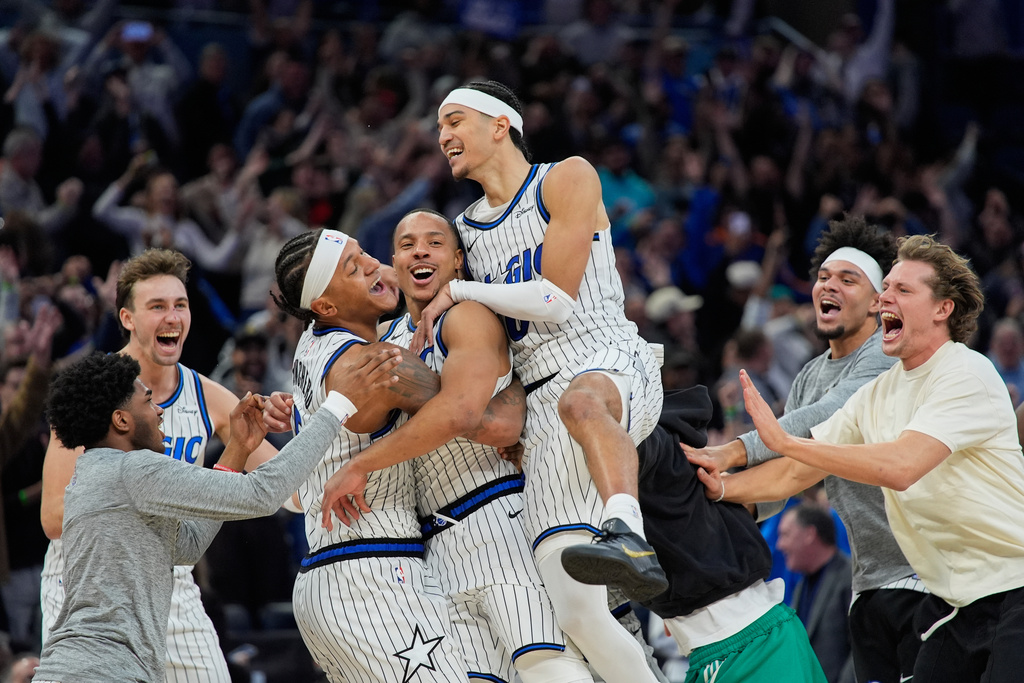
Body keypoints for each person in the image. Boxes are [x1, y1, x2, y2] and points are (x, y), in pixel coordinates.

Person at [425, 79, 666, 683]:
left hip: (605, 358)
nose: (443, 136)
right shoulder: (467, 229)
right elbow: (493, 343)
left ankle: (629, 533)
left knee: (583, 404)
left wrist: (461, 289)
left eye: (454, 121)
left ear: (499, 125)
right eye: (438, 128)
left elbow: (556, 300)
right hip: (538, 399)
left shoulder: (566, 177)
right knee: (577, 612)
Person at [318, 209, 593, 682]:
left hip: (497, 522)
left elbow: (481, 419)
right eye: (406, 244)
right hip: (436, 548)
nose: (419, 251)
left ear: (459, 262)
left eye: (434, 243)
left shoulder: (466, 316)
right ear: (395, 263)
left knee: (551, 668)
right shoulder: (390, 338)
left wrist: (363, 463)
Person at [734, 234, 1024, 683]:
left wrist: (781, 441)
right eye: (886, 287)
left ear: (942, 308)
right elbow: (797, 471)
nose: (886, 296)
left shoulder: (966, 371)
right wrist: (715, 484)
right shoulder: (876, 392)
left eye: (902, 290)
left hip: (1012, 587)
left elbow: (901, 467)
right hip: (956, 603)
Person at [32, 350, 392, 683]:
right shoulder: (134, 468)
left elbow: (185, 547)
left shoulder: (92, 472)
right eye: (148, 401)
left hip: (78, 665)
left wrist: (236, 449)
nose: (160, 411)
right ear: (121, 420)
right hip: (101, 670)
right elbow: (263, 495)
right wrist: (337, 406)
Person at [270, 227, 523, 681]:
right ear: (326, 306)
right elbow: (492, 421)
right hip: (372, 576)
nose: (372, 264)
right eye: (354, 267)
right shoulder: (377, 365)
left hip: (327, 580)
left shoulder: (313, 342)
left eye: (364, 252)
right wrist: (525, 372)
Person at [686, 217, 927, 683]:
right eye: (822, 278)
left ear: (879, 302)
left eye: (847, 279)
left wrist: (729, 453)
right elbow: (788, 479)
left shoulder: (884, 355)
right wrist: (714, 497)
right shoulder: (809, 375)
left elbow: (821, 420)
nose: (828, 286)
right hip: (869, 580)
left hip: (924, 573)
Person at [39, 249, 278, 682]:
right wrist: (145, 492)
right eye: (157, 307)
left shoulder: (208, 395)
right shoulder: (88, 391)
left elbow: (289, 488)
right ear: (127, 318)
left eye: (180, 305)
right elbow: (54, 516)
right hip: (90, 586)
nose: (172, 317)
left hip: (171, 584)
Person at [777, 504, 854, 683]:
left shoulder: (849, 578)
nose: (780, 545)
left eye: (785, 534)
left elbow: (861, 648)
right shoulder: (802, 584)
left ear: (810, 534)